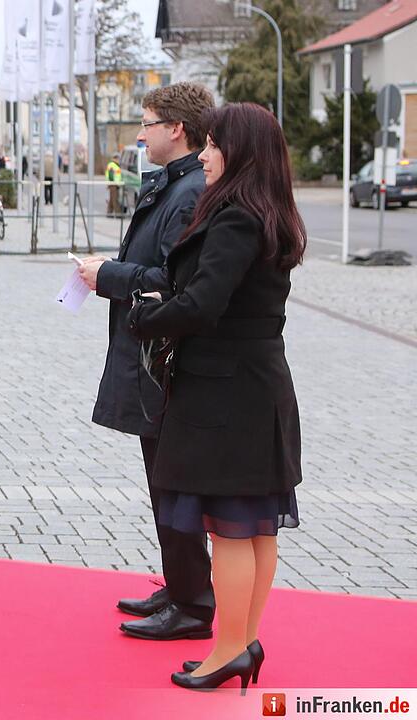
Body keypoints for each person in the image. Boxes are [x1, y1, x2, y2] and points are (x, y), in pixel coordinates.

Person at [128, 102, 305, 691]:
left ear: (240, 152)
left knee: (231, 528)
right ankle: (242, 641)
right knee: (255, 529)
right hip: (258, 385)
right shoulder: (270, 211)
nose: (203, 154)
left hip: (225, 393)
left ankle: (229, 646)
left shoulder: (235, 217)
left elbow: (204, 303)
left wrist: (146, 318)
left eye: (213, 145)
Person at [76, 82, 217, 641]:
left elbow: (172, 280)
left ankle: (192, 602)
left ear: (176, 129)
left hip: (166, 359)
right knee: (164, 479)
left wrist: (109, 276)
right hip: (152, 353)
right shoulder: (174, 185)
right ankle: (181, 586)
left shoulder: (187, 192)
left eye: (147, 122)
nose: (140, 133)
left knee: (173, 481)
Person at [105, 153, 123, 217]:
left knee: (112, 199)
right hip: (113, 184)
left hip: (114, 184)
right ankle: (118, 214)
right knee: (115, 199)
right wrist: (113, 183)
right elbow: (111, 175)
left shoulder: (113, 165)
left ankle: (109, 213)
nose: (119, 160)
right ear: (115, 159)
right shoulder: (112, 165)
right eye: (118, 159)